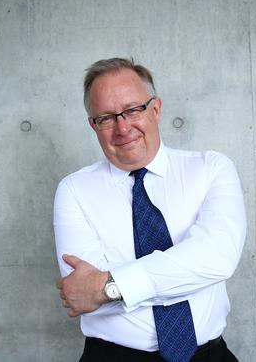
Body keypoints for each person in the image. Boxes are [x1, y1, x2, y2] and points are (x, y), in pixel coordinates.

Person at [54, 57, 246, 362]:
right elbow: (83, 289)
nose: (122, 127)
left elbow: (217, 257)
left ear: (155, 109)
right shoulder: (73, 190)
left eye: (132, 110)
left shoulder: (211, 169)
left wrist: (108, 285)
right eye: (106, 117)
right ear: (93, 125)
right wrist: (184, 273)